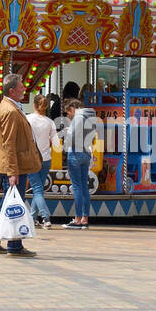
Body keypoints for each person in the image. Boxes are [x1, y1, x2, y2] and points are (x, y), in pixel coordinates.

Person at [0, 73, 40, 256]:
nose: (24, 88)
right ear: (13, 90)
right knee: (14, 203)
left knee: (10, 202)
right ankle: (13, 244)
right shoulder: (10, 111)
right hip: (16, 166)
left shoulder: (12, 107)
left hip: (16, 165)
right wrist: (12, 171)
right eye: (21, 86)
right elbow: (9, 144)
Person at [25, 93, 60, 229]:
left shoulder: (27, 119)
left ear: (34, 105)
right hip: (46, 159)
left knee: (37, 189)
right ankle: (33, 217)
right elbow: (56, 144)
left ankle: (46, 218)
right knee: (38, 190)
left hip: (32, 159)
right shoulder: (50, 122)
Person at [63, 98, 96, 229]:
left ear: (72, 109)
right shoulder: (91, 117)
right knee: (84, 187)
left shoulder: (77, 117)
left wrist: (66, 141)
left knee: (76, 187)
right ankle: (84, 218)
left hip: (75, 153)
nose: (68, 115)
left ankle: (77, 219)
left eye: (68, 113)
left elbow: (70, 138)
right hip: (86, 154)